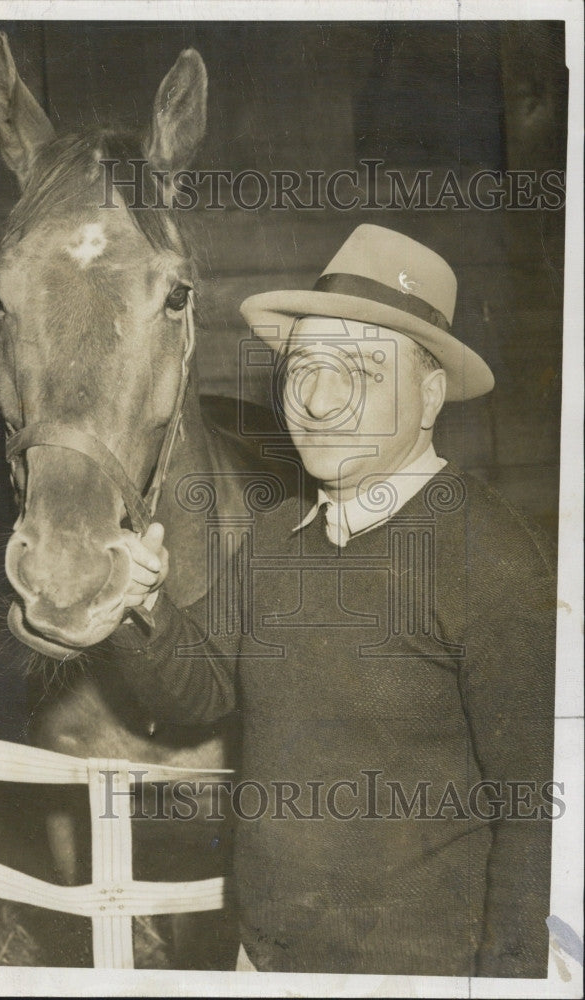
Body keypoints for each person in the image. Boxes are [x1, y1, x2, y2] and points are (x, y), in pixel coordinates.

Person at [106, 225, 556, 978]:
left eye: (358, 370)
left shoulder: (492, 559)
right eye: (303, 366)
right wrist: (142, 605)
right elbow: (199, 691)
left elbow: (533, 811)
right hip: (265, 956)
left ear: (428, 396)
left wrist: (510, 982)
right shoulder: (278, 534)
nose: (314, 400)